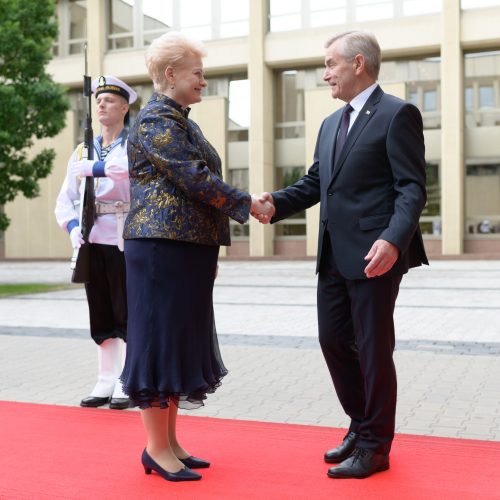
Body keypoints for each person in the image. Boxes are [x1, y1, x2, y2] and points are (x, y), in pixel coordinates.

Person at [260, 31, 428, 479]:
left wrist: (393, 240)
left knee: (374, 350)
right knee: (333, 340)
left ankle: (376, 446)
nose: (325, 73)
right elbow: (317, 184)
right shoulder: (331, 123)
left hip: (377, 255)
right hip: (333, 253)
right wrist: (275, 203)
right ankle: (360, 425)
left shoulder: (397, 114)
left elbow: (411, 188)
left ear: (358, 63)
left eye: (330, 64)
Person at [120, 31, 273, 483]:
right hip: (160, 249)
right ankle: (155, 448)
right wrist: (250, 203)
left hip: (184, 248)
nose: (204, 81)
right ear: (171, 75)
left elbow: (198, 182)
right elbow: (194, 178)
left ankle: (169, 443)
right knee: (158, 341)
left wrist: (210, 241)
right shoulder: (155, 122)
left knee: (179, 341)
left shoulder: (181, 120)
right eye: (198, 74)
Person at [55, 75, 138, 410]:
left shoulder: (133, 143)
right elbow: (66, 198)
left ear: (124, 106)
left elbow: (126, 170)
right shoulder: (82, 149)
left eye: (109, 100)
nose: (102, 104)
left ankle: (127, 379)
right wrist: (73, 226)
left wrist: (95, 167)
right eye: (98, 99)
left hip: (125, 237)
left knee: (127, 310)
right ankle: (105, 378)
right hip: (92, 238)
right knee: (100, 309)